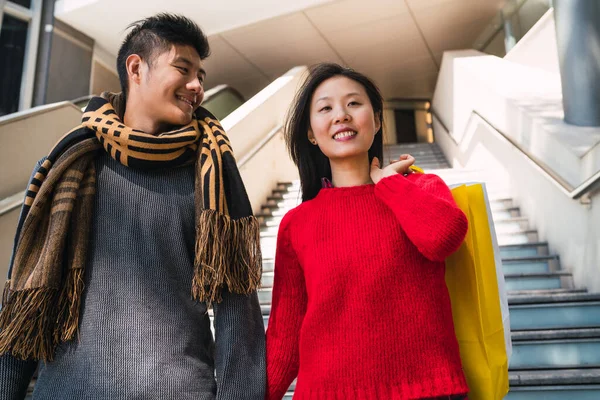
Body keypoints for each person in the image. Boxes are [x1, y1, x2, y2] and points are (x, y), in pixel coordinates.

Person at [0, 13, 265, 400]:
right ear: (136, 68)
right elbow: (23, 306)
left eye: (201, 76)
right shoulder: (65, 168)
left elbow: (238, 318)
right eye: (183, 69)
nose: (196, 86)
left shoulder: (211, 176)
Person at [265, 63, 469, 400]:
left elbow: (443, 237)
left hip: (426, 391)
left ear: (376, 121)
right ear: (312, 133)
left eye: (353, 104)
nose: (341, 115)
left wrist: (389, 183)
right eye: (325, 108)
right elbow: (284, 339)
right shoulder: (297, 223)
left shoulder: (421, 188)